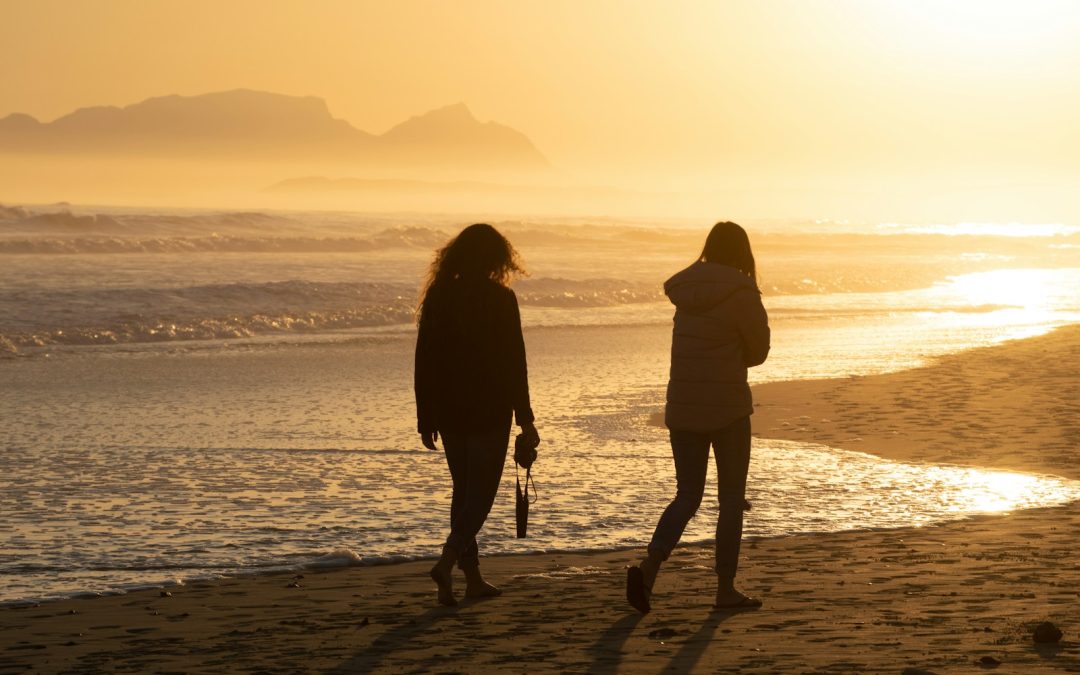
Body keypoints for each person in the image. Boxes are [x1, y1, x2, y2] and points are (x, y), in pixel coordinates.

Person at [627, 221, 770, 613]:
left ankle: (650, 565)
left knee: (687, 496)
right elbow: (759, 353)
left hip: (684, 406)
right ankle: (725, 588)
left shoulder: (685, 291)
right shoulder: (742, 292)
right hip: (728, 408)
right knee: (730, 501)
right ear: (742, 252)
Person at [415, 223, 540, 607]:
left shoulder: (439, 295)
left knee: (464, 491)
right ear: (496, 259)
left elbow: (425, 359)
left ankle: (471, 580)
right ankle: (448, 559)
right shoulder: (500, 298)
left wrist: (426, 414)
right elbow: (514, 362)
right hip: (489, 407)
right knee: (480, 495)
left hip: (450, 409)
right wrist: (526, 417)